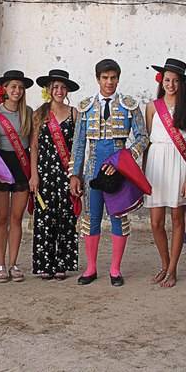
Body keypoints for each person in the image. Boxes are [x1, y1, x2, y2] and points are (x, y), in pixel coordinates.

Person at [70, 59, 149, 287]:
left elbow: (143, 138)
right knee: (91, 219)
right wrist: (75, 175)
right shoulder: (86, 107)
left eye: (113, 78)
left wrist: (126, 157)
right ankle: (91, 267)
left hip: (119, 171)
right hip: (93, 171)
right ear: (97, 79)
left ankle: (115, 269)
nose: (109, 82)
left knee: (118, 218)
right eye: (105, 78)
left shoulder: (129, 105)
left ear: (118, 78)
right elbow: (79, 144)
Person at [143, 59, 186, 288]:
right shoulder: (152, 107)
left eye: (176, 81)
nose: (171, 84)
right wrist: (142, 175)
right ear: (161, 81)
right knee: (155, 222)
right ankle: (164, 263)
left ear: (182, 83)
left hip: (180, 164)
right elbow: (146, 141)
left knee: (177, 220)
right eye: (167, 80)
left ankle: (173, 268)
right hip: (156, 164)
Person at [30, 70, 80, 280]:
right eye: (55, 87)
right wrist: (34, 175)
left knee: (66, 218)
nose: (59, 91)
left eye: (62, 87)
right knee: (44, 218)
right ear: (49, 90)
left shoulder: (74, 113)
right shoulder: (39, 114)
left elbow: (77, 147)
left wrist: (76, 175)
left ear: (67, 90)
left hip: (66, 174)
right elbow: (34, 147)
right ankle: (44, 263)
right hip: (44, 174)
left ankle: (62, 263)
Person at [0, 70, 34, 282]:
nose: (17, 91)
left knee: (17, 218)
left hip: (21, 166)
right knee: (2, 218)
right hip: (0, 166)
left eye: (20, 87)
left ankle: (14, 263)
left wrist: (34, 174)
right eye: (13, 86)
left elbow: (33, 147)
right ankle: (1, 264)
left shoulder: (29, 113)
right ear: (4, 89)